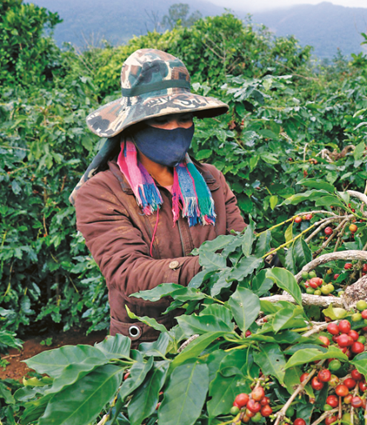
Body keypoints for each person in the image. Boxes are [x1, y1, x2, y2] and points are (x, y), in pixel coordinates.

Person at [71, 49, 246, 345]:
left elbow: (242, 242)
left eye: (185, 118)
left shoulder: (211, 180)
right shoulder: (101, 193)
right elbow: (129, 273)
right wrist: (214, 264)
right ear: (135, 125)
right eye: (162, 120)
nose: (177, 128)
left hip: (220, 329)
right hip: (147, 344)